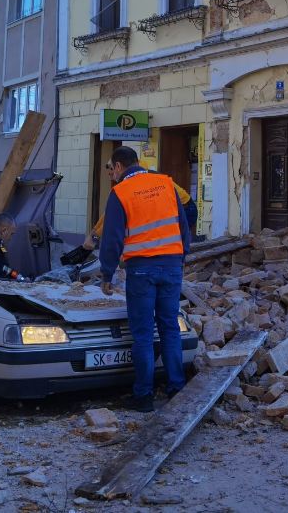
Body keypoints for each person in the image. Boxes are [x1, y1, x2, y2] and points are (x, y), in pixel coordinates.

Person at [98, 146, 191, 412]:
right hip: (172, 265)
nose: (111, 174)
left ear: (118, 167)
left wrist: (107, 273)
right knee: (170, 328)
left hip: (141, 269)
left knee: (142, 334)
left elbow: (112, 238)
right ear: (137, 162)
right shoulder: (165, 183)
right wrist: (181, 257)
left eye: (110, 169)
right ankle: (176, 388)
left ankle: (144, 396)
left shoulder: (120, 193)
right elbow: (182, 224)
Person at [82, 165, 197, 251]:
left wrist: (95, 236)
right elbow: (110, 211)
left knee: (170, 244)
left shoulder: (134, 180)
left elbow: (112, 214)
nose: (113, 178)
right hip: (178, 206)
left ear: (118, 167)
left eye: (111, 174)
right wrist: (94, 231)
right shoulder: (136, 172)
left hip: (185, 207)